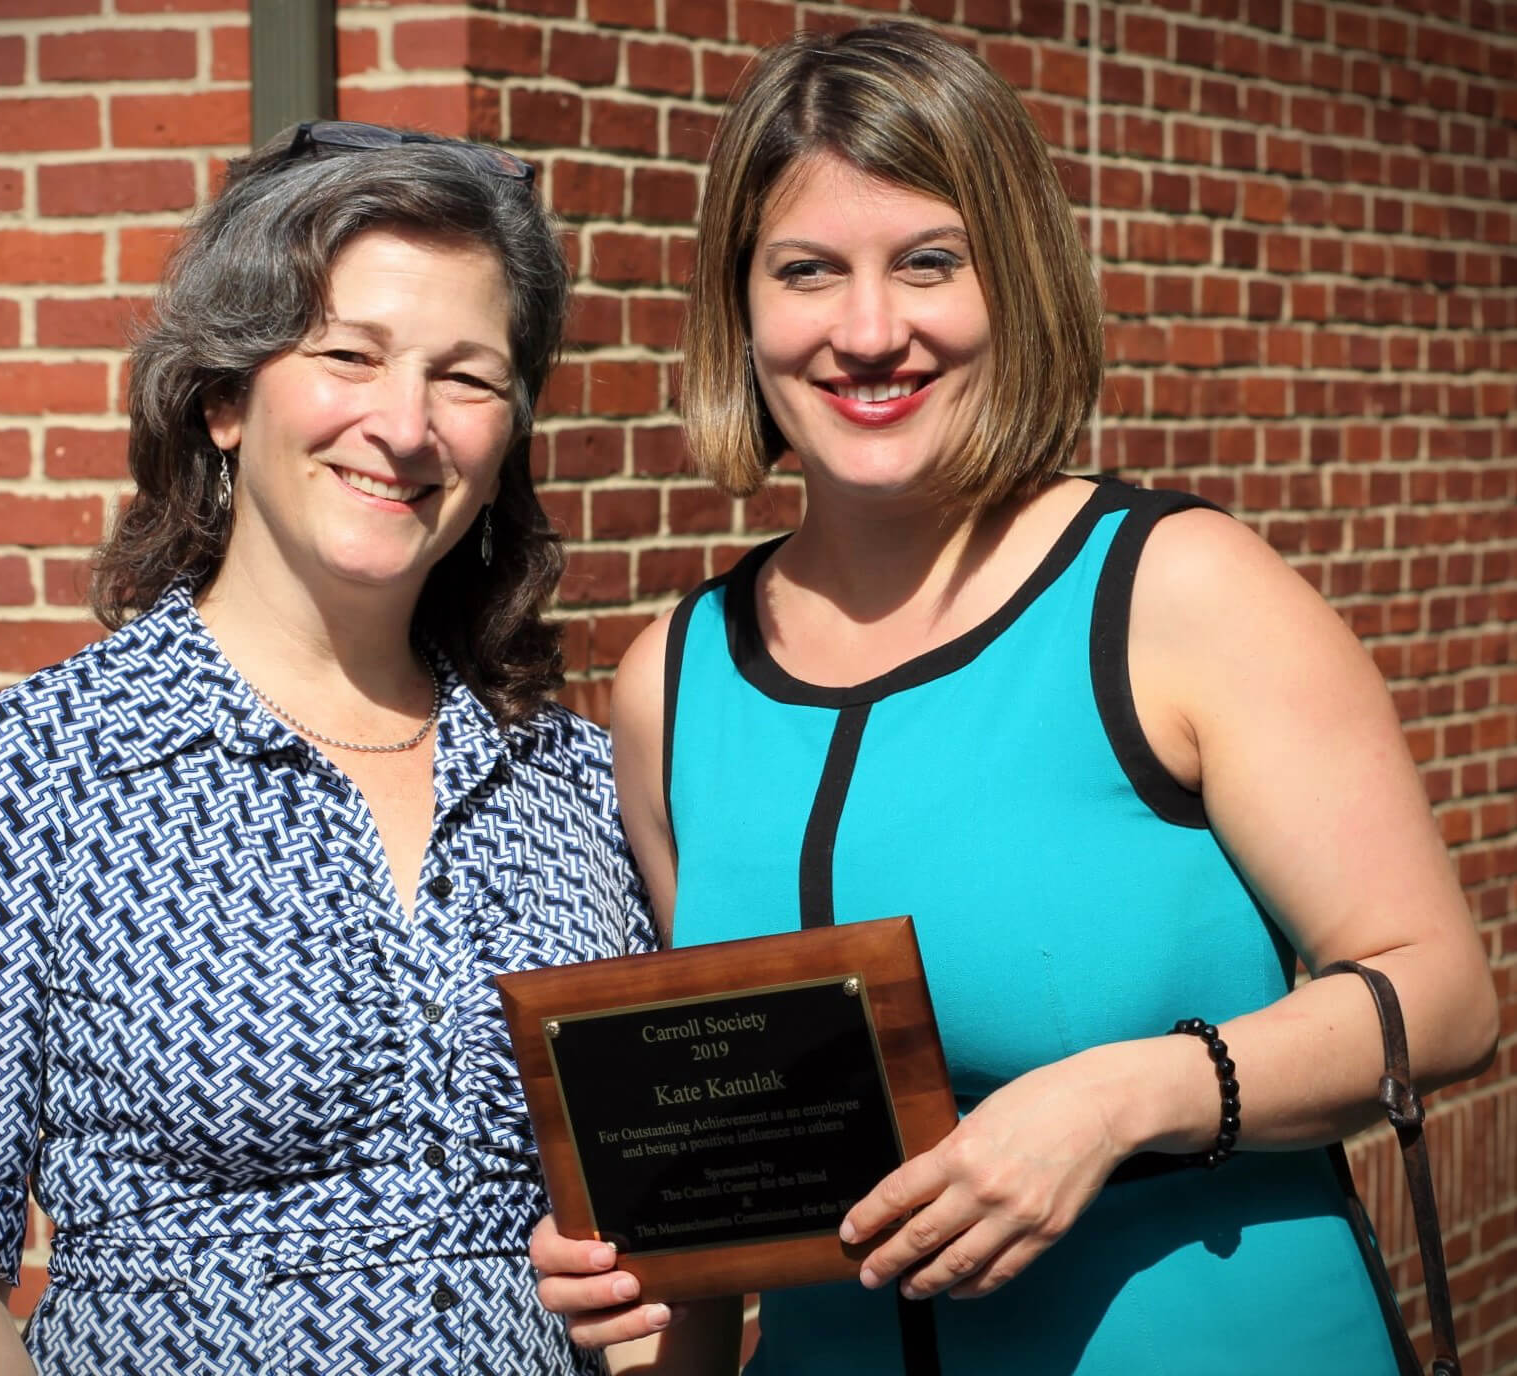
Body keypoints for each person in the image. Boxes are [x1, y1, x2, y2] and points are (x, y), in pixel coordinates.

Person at [530, 23, 1498, 1376]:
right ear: (740, 315)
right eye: (806, 271)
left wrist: (1124, 1097)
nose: (867, 332)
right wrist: (642, 1289)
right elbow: (715, 1180)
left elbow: (1440, 995)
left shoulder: (1172, 593)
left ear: (1015, 281)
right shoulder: (672, 681)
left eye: (927, 261)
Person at [0, 121, 653, 1376]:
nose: (404, 422)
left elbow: (664, 1227)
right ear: (223, 398)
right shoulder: (40, 765)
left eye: (467, 376)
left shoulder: (574, 780)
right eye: (348, 355)